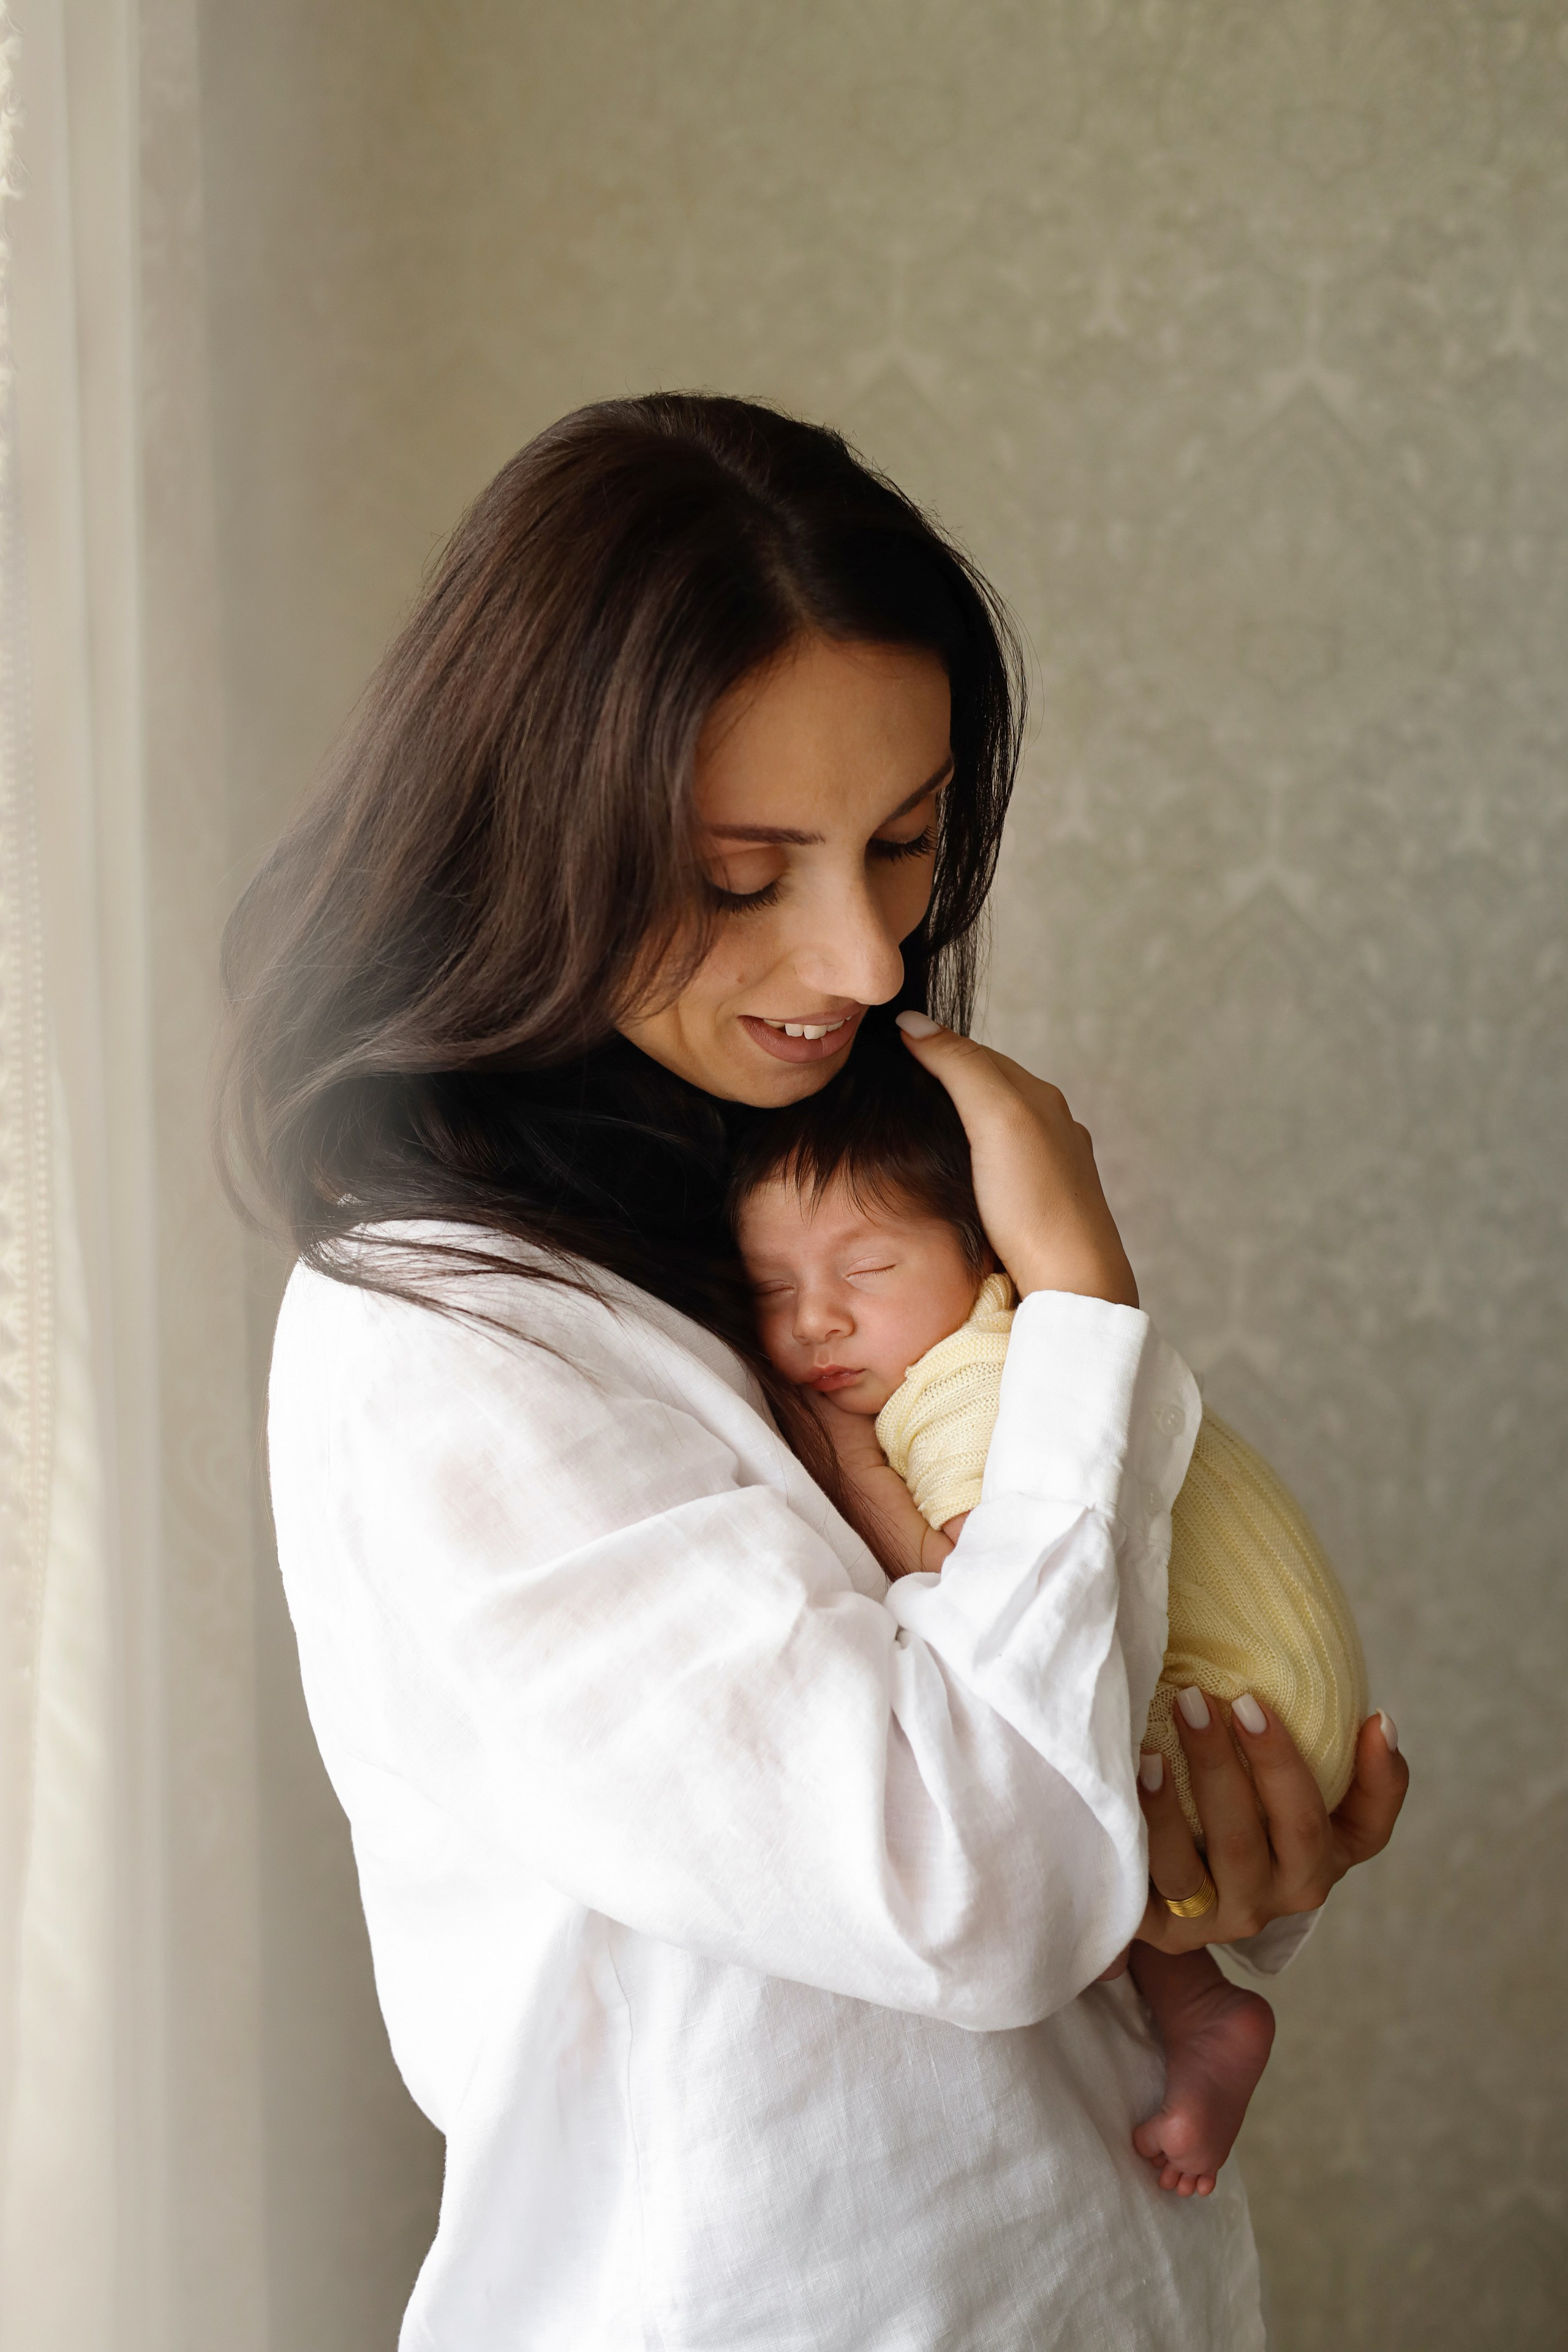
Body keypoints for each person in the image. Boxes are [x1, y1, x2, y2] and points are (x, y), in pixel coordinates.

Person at [219, 393, 1407, 2350]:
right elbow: (970, 1881)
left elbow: (1032, 1768)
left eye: (909, 842)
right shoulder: (443, 1342)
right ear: (539, 840)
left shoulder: (804, 1193)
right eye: (749, 871)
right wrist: (1084, 1307)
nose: (863, 956)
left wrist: (1211, 1835)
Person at [726, 1025, 1332, 2198]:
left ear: (983, 1253)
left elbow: (995, 1608)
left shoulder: (972, 1389)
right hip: (1263, 1718)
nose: (814, 1322)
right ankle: (1200, 1998)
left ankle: (1202, 1999)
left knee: (1055, 1761)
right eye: (770, 1289)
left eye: (864, 1272)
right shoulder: (969, 1352)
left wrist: (854, 1471)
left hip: (1237, 1718)